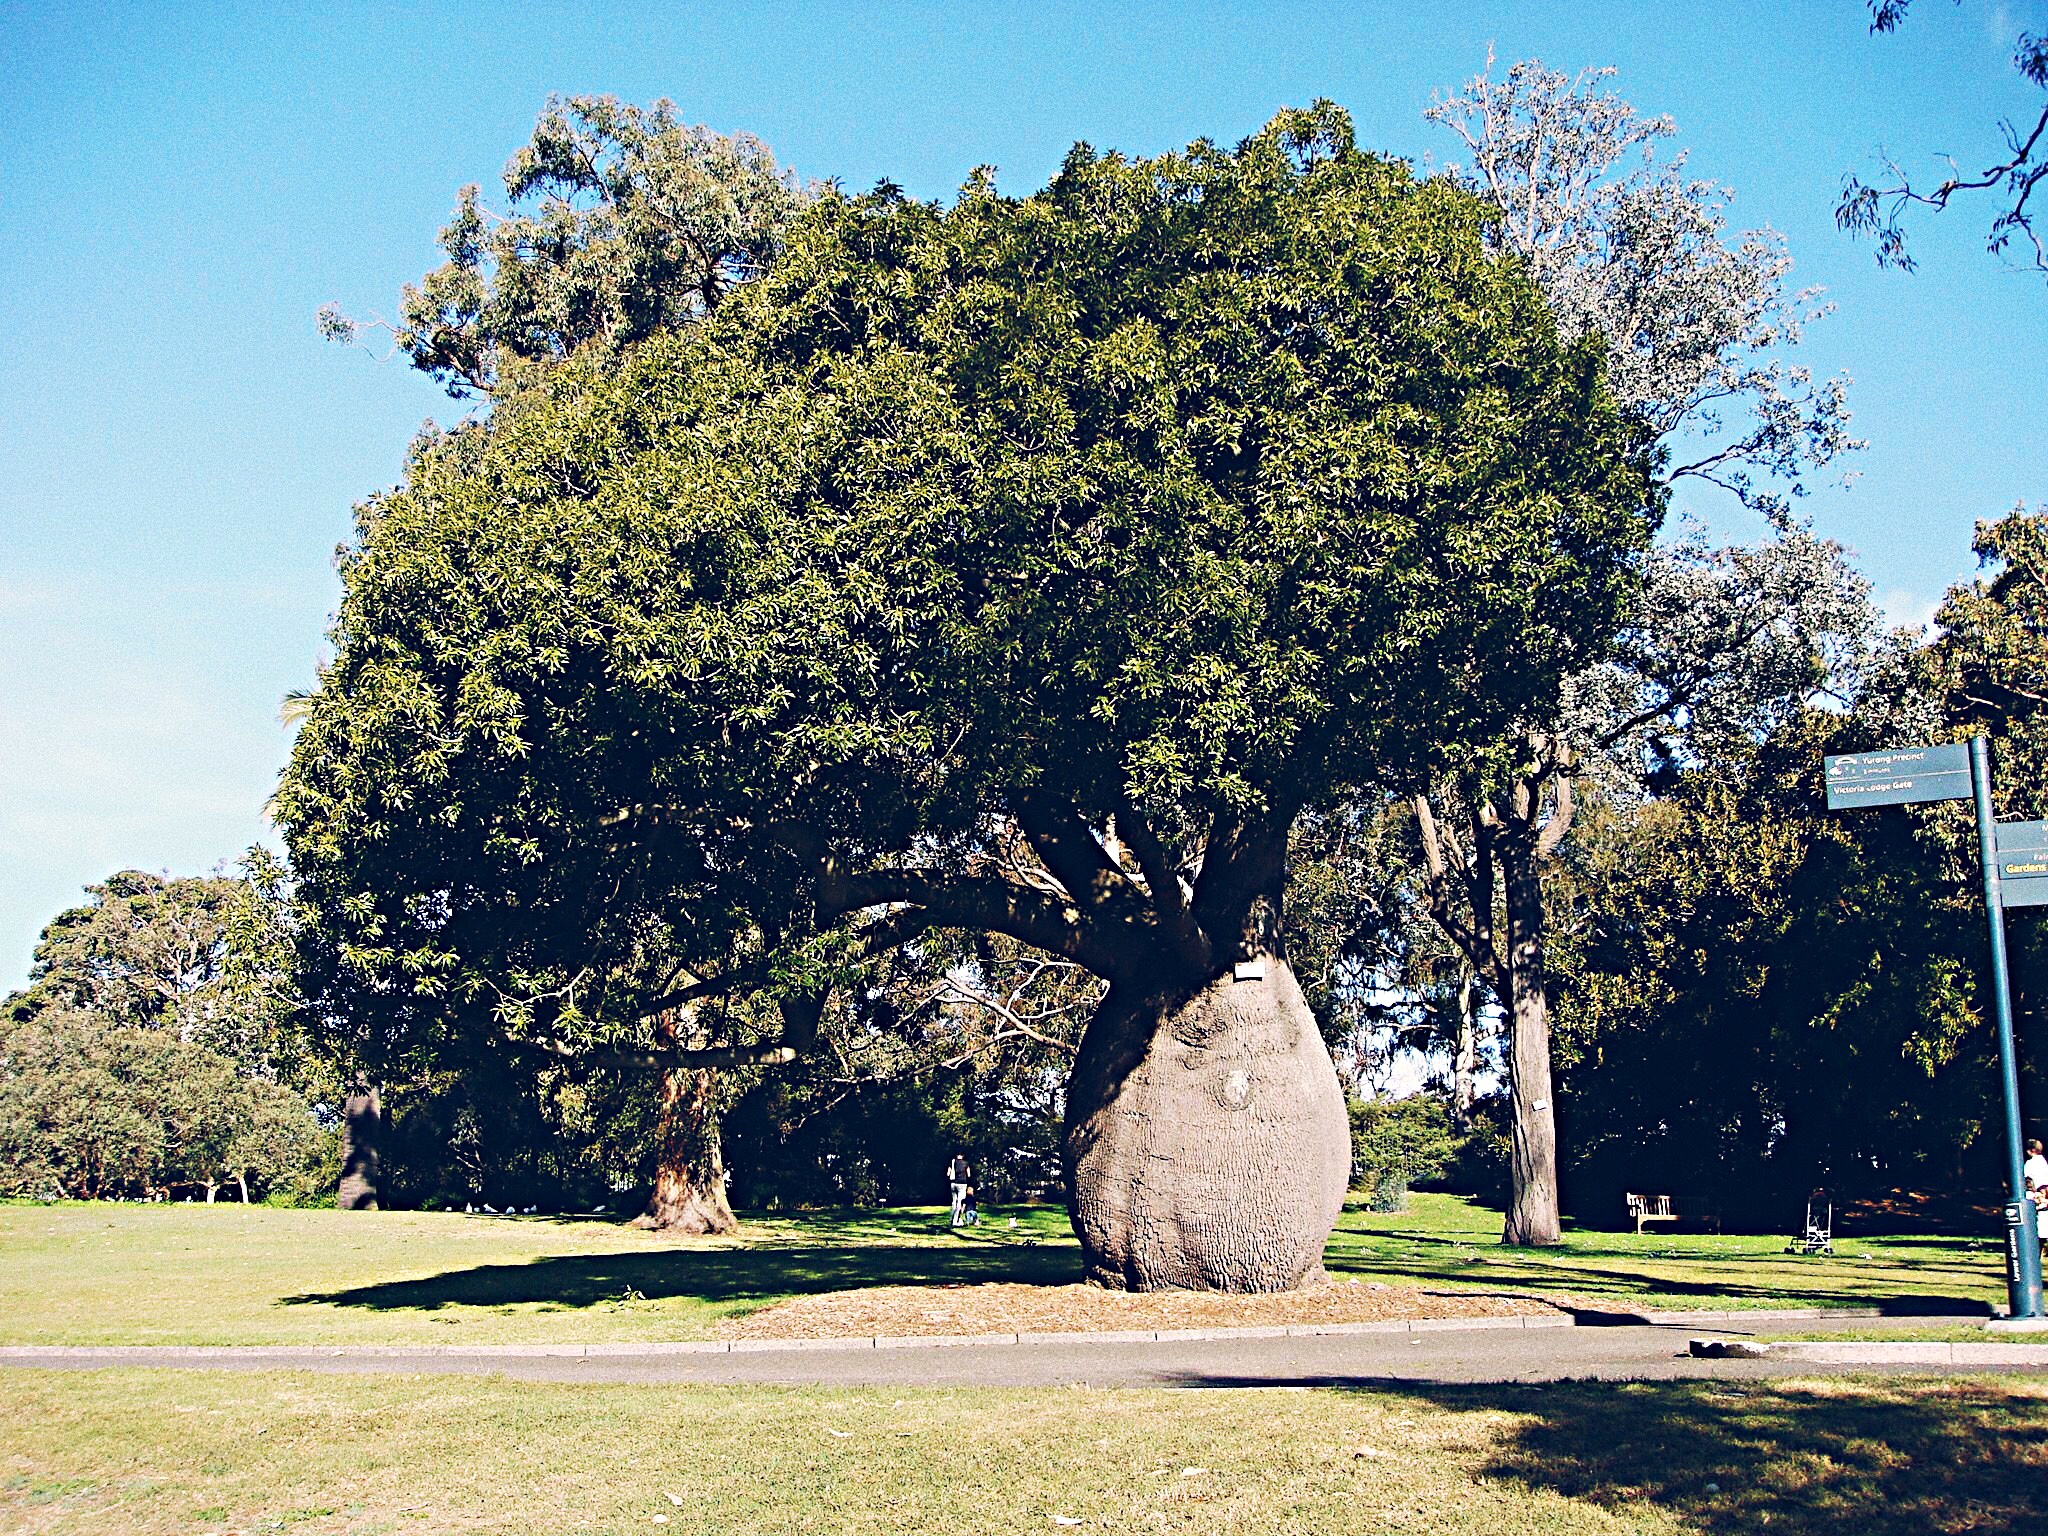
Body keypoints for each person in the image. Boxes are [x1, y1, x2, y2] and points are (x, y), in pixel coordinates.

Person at [947, 1150, 972, 1227]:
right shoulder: (965, 1163)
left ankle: (952, 1219)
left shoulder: (952, 1163)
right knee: (959, 1203)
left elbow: (948, 1174)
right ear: (962, 1156)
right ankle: (955, 1221)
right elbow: (969, 1174)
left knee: (954, 1202)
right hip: (962, 1184)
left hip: (953, 1184)